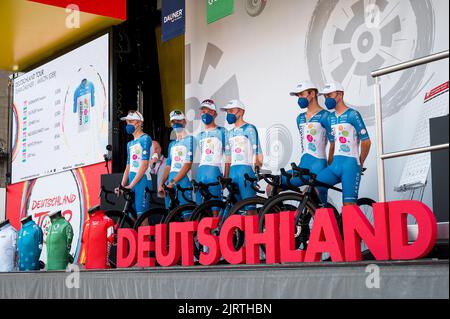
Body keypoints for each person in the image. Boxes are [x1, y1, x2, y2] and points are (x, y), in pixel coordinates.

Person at [316, 82, 372, 206]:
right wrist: (330, 160)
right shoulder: (329, 117)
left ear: (340, 95)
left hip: (350, 166)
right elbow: (333, 142)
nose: (326, 99)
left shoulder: (353, 114)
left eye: (329, 95)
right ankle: (326, 217)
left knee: (349, 208)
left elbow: (366, 142)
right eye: (325, 96)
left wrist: (360, 162)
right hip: (335, 166)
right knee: (316, 187)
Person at [275, 81, 334, 191]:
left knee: (318, 202)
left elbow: (333, 142)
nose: (299, 98)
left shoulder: (326, 116)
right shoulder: (299, 118)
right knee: (275, 184)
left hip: (318, 165)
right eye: (298, 95)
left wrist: (329, 165)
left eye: (302, 94)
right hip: (303, 165)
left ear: (312, 94)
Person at [222, 100, 263, 216]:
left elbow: (258, 151)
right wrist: (225, 177)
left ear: (241, 112)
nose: (228, 114)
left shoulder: (249, 128)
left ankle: (255, 232)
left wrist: (256, 172)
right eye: (227, 112)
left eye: (231, 111)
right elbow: (228, 158)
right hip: (232, 174)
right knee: (237, 211)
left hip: (246, 172)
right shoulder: (228, 133)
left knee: (250, 210)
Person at [158, 110, 195, 220]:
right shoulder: (172, 144)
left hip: (183, 181)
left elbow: (187, 165)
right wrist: (161, 184)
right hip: (170, 182)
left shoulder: (190, 139)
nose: (176, 123)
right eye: (173, 121)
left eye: (178, 120)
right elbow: (168, 166)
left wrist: (174, 181)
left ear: (184, 122)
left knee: (186, 216)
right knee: (170, 216)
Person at [115, 111, 153, 216]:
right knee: (132, 217)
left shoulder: (145, 139)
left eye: (131, 121)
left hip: (143, 180)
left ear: (139, 123)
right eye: (127, 122)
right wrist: (122, 186)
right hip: (132, 181)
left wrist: (131, 185)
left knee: (142, 217)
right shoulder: (129, 144)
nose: (128, 124)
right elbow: (128, 167)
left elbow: (144, 165)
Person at [195, 99, 228, 217]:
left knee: (216, 209)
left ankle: (219, 232)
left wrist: (226, 176)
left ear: (215, 113)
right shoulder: (199, 135)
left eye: (209, 111)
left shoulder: (222, 131)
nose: (205, 114)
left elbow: (228, 156)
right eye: (203, 111)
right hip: (201, 172)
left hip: (214, 171)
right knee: (199, 208)